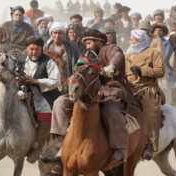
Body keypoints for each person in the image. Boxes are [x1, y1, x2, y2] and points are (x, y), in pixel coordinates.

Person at [44, 29, 131, 162]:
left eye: (89, 43)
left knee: (111, 110)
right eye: (86, 44)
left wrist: (112, 66)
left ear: (99, 42)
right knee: (60, 102)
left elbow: (117, 55)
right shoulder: (86, 55)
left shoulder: (110, 49)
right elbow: (78, 71)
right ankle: (60, 141)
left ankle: (118, 148)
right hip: (88, 90)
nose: (87, 46)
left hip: (110, 89)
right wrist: (71, 81)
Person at [18, 36, 61, 163]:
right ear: (26, 48)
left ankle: (37, 148)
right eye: (31, 49)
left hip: (44, 96)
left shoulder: (48, 61)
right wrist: (20, 90)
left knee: (46, 114)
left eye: (37, 49)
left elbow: (56, 81)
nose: (33, 52)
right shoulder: (19, 61)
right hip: (23, 94)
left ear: (41, 49)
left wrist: (36, 81)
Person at [125, 29, 165, 159]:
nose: (129, 41)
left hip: (147, 88)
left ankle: (149, 145)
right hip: (129, 89)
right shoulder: (129, 54)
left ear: (139, 40)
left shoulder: (153, 53)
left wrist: (142, 70)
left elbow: (160, 71)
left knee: (151, 113)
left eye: (131, 39)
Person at [153, 22, 176, 104]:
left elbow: (165, 58)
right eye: (156, 30)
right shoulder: (149, 42)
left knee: (165, 88)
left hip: (163, 69)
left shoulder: (166, 43)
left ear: (164, 33)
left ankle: (168, 103)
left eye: (161, 31)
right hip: (150, 69)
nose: (158, 32)